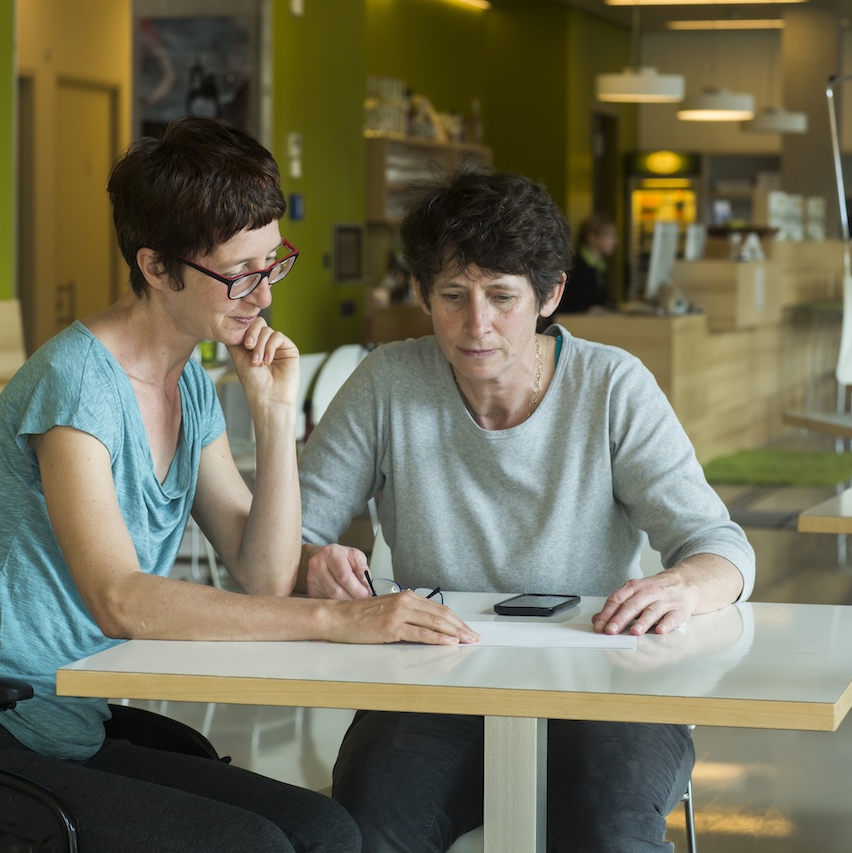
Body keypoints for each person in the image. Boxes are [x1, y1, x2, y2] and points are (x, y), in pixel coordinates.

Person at [0, 116, 474, 853]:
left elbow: (263, 572)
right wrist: (338, 620)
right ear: (155, 265)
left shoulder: (190, 384)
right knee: (258, 845)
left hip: (69, 726)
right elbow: (120, 598)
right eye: (241, 274)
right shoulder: (76, 384)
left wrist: (274, 417)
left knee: (326, 828)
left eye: (274, 264)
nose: (264, 296)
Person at [299, 166, 755, 853]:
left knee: (606, 832)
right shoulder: (387, 383)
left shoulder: (613, 386)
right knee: (367, 826)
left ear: (550, 295)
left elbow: (722, 547)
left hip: (605, 682)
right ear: (422, 294)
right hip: (437, 683)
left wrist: (683, 584)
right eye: (452, 295)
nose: (475, 324)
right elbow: (295, 535)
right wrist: (315, 563)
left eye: (501, 296)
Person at [558, 211, 617, 314]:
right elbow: (575, 305)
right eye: (608, 235)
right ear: (592, 237)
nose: (614, 241)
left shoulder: (601, 267)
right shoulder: (575, 266)